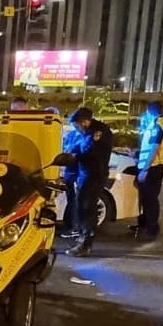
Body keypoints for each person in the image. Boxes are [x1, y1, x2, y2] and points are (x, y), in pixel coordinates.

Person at [66, 107, 113, 256]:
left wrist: (74, 155)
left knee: (87, 209)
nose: (76, 129)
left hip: (94, 175)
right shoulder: (87, 133)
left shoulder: (99, 132)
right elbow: (79, 147)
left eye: (77, 126)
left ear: (84, 122)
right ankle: (82, 239)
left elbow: (90, 152)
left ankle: (85, 244)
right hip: (85, 174)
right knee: (81, 207)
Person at [131, 101, 163, 241]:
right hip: (155, 165)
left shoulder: (158, 125)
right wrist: (136, 154)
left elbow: (155, 148)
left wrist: (145, 169)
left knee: (150, 199)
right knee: (146, 198)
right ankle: (144, 225)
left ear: (149, 112)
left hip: (153, 167)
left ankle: (151, 229)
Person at [59, 125, 84, 239]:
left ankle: (75, 227)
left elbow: (75, 153)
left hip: (76, 173)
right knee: (72, 200)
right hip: (70, 172)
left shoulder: (82, 136)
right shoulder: (72, 135)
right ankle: (71, 225)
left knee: (74, 201)